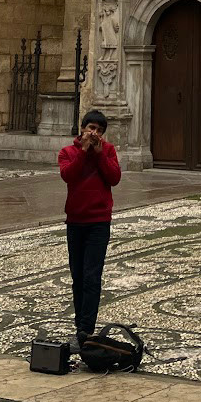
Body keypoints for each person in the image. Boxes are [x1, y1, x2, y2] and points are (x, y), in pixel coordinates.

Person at [58, 109, 121, 353]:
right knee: (78, 277)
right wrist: (84, 153)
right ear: (82, 128)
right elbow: (69, 176)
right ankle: (79, 326)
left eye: (98, 130)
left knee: (92, 276)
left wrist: (99, 155)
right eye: (91, 128)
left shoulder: (108, 151)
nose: (93, 133)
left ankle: (86, 329)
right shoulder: (67, 152)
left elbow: (114, 178)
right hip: (75, 221)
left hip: (99, 221)